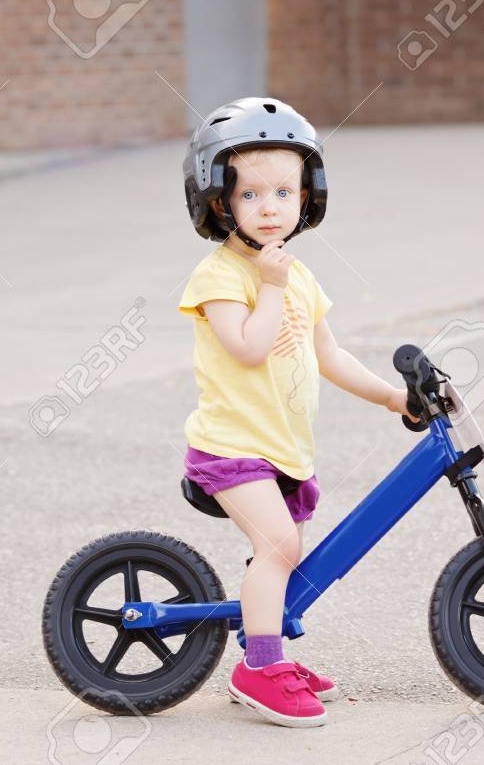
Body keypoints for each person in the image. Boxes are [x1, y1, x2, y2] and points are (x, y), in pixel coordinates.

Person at [178, 96, 420, 727]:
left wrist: (393, 398)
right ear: (217, 201)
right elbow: (248, 348)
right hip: (231, 448)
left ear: (308, 196)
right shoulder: (221, 277)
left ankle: (269, 650)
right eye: (251, 194)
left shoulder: (299, 277)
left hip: (282, 449)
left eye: (284, 192)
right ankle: (260, 670)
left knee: (284, 554)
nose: (269, 208)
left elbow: (329, 355)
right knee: (280, 546)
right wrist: (271, 285)